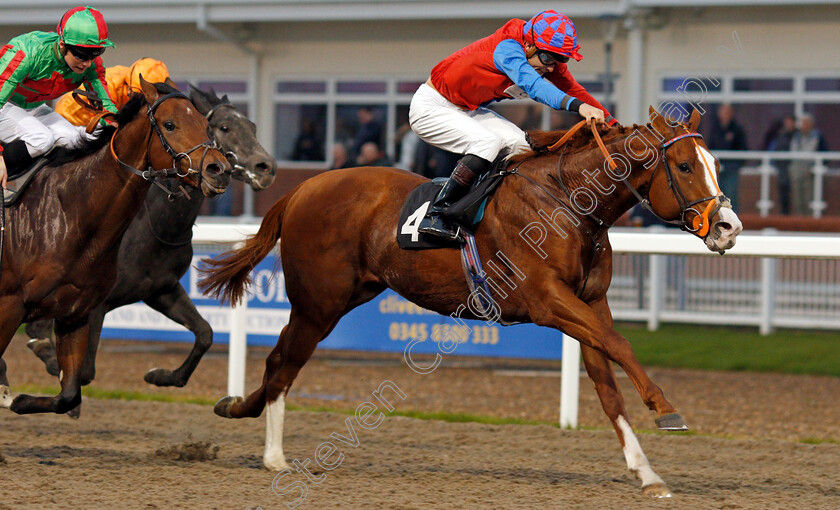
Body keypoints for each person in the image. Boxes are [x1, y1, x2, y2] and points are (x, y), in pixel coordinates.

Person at [409, 10, 616, 239]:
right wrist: (578, 107)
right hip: (431, 106)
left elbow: (575, 91)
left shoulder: (544, 56)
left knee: (521, 147)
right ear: (528, 44)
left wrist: (615, 124)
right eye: (547, 59)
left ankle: (490, 210)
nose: (551, 68)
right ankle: (439, 213)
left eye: (560, 61)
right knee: (488, 142)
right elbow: (535, 86)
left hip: (468, 109)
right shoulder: (507, 48)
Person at [0, 6, 117, 189]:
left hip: (34, 107)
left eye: (95, 54)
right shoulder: (25, 54)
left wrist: (117, 128)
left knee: (78, 141)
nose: (87, 63)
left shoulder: (91, 65)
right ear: (62, 44)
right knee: (41, 139)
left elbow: (107, 107)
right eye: (81, 55)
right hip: (4, 104)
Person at [54, 57, 170, 126]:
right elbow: (108, 121)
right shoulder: (110, 84)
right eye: (133, 92)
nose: (132, 94)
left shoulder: (130, 77)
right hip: (72, 120)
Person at [706, 104, 747, 212]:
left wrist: (736, 164)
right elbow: (710, 146)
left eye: (727, 113)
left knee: (730, 194)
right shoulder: (715, 129)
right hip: (717, 169)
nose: (725, 115)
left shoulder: (737, 130)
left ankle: (733, 219)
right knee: (717, 195)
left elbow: (742, 148)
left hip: (731, 168)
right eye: (723, 113)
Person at [788, 113, 828, 216]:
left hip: (810, 170)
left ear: (811, 124)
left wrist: (815, 167)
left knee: (809, 197)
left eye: (805, 123)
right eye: (802, 123)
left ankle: (809, 219)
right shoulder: (796, 136)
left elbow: (824, 154)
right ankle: (798, 220)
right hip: (797, 170)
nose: (803, 125)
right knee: (797, 197)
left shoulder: (817, 136)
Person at [767, 115, 797, 214]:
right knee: (784, 195)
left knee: (797, 195)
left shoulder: (798, 136)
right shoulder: (781, 136)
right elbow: (775, 151)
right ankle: (785, 216)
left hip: (795, 169)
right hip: (783, 169)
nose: (788, 125)